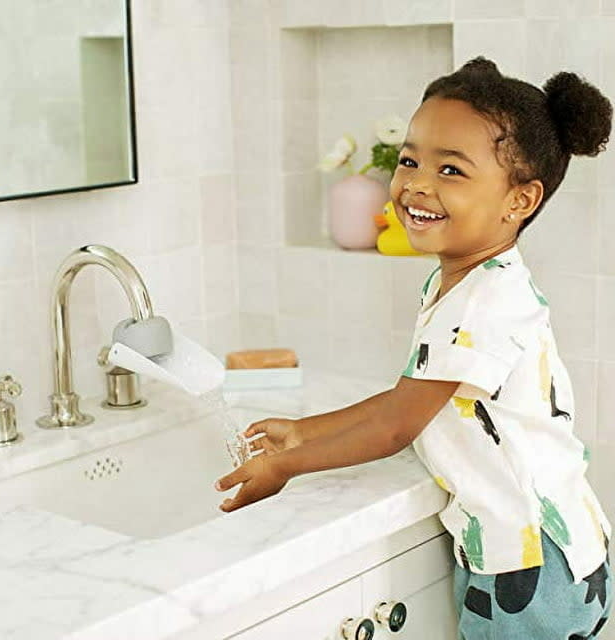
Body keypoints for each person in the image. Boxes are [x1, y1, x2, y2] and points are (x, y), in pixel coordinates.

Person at [214, 56, 613, 638]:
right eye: (409, 160)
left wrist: (288, 465)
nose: (416, 184)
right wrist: (303, 430)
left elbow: (394, 427)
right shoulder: (467, 281)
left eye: (451, 170)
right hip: (535, 548)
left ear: (519, 201)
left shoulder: (484, 302)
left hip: (532, 566)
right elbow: (408, 400)